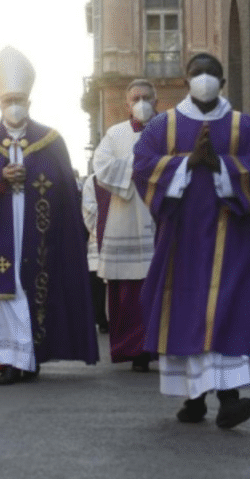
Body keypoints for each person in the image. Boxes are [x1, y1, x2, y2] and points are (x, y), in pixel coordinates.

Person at [0, 47, 99, 385]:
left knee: (31, 289)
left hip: (38, 236)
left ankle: (29, 355)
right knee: (4, 291)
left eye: (19, 99)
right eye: (7, 99)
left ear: (29, 102)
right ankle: (12, 359)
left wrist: (31, 179)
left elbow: (66, 192)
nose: (13, 105)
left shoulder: (51, 141)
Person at [132, 52, 250, 429]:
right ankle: (193, 400)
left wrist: (221, 166)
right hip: (181, 240)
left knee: (228, 310)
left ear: (223, 82)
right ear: (185, 80)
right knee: (185, 314)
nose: (205, 78)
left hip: (231, 242)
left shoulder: (244, 126)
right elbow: (142, 165)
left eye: (212, 73)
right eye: (198, 73)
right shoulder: (162, 126)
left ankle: (229, 400)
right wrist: (185, 163)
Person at [92, 79, 159, 371]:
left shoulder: (169, 130)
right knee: (129, 292)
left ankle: (160, 346)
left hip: (160, 215)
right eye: (136, 98)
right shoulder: (114, 134)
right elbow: (102, 166)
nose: (141, 102)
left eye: (146, 97)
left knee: (160, 286)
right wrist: (138, 167)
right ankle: (133, 349)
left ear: (156, 101)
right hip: (126, 214)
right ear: (127, 104)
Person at [81, 173, 110, 334]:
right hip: (98, 237)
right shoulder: (92, 181)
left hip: (119, 235)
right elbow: (88, 209)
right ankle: (101, 319)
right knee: (98, 282)